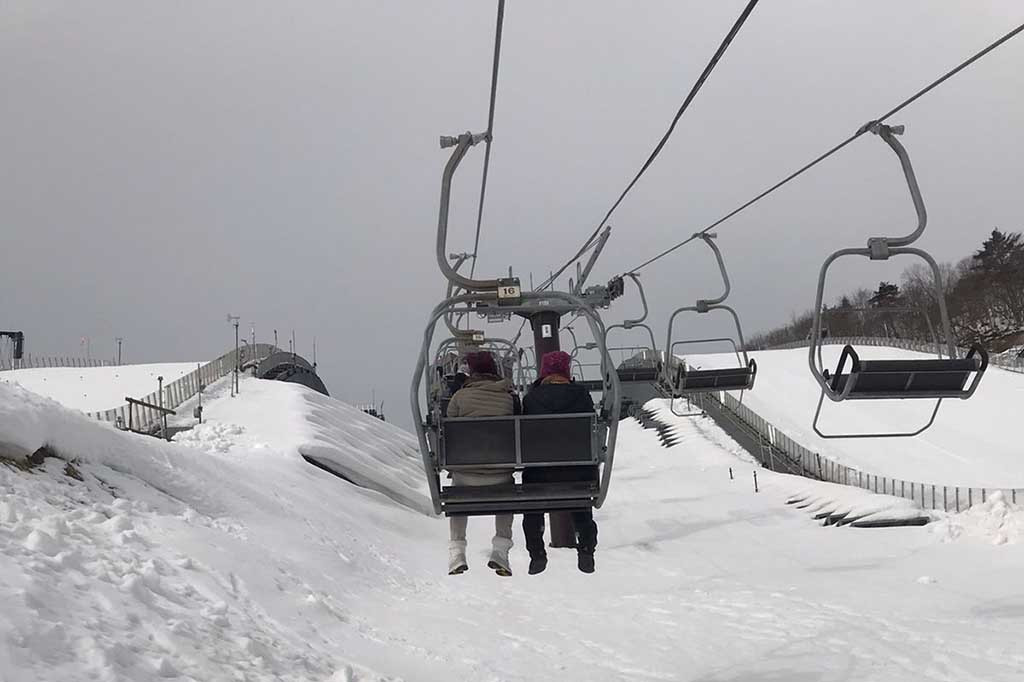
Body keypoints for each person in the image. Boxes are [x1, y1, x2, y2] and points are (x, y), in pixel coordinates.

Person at [521, 350, 599, 574]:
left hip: (540, 475)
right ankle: (586, 548)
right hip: (579, 472)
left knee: (532, 507)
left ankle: (536, 552)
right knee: (581, 504)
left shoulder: (531, 399)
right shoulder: (582, 395)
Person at [445, 350, 517, 577]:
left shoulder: (459, 397)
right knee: (507, 489)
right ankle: (501, 551)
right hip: (500, 473)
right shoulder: (507, 397)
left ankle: (457, 551)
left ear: (471, 372)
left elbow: (449, 429)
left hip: (466, 473)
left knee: (456, 493)